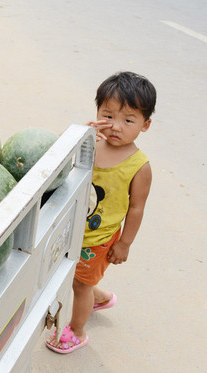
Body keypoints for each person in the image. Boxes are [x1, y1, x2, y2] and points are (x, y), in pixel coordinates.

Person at [46, 71, 156, 354]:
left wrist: (124, 244)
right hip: (72, 228)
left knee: (79, 286)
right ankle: (101, 297)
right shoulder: (90, 143)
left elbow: (136, 208)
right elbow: (55, 152)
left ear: (145, 125)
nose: (116, 127)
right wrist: (79, 134)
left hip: (99, 240)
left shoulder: (139, 166)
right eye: (108, 116)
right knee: (77, 277)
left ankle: (77, 331)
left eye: (128, 120)